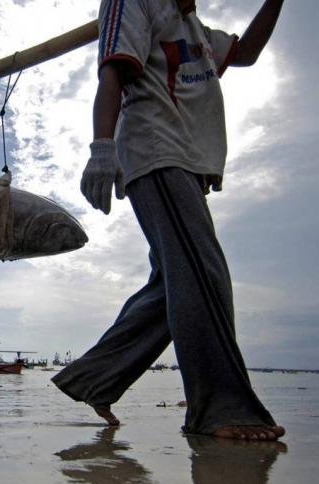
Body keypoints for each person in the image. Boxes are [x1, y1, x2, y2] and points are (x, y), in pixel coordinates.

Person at [51, 0, 286, 441]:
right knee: (203, 273)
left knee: (175, 283)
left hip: (187, 162)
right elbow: (112, 72)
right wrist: (101, 147)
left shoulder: (195, 28)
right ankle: (219, 408)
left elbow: (247, 53)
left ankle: (95, 378)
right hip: (156, 151)